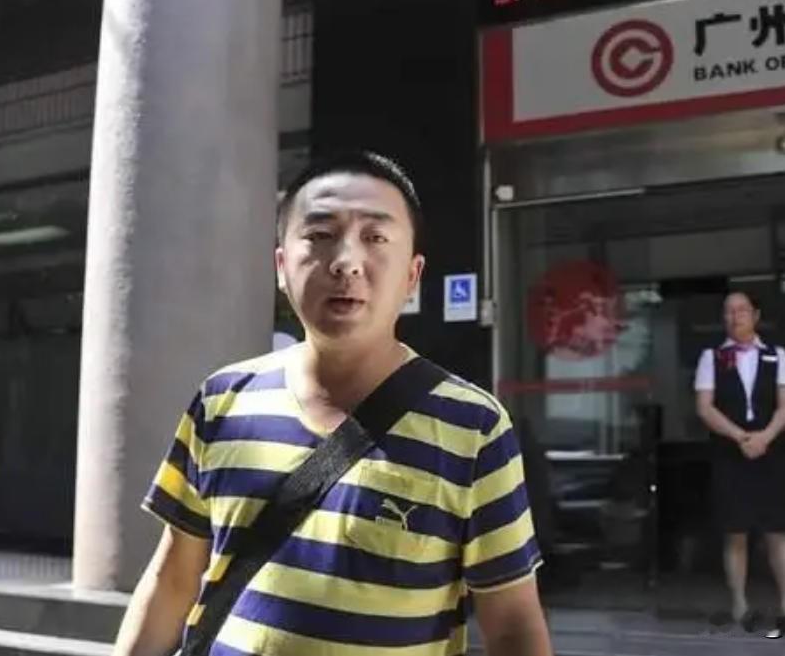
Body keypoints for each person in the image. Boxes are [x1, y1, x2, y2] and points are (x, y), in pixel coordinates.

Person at [111, 151, 553, 656]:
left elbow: (512, 623)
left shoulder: (474, 427)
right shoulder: (221, 401)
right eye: (320, 235)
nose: (346, 261)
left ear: (413, 275)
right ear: (282, 266)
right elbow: (173, 579)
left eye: (375, 237)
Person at [694, 291, 785, 638]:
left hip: (771, 453)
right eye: (728, 311)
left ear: (755, 315)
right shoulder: (712, 357)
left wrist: (765, 437)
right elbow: (705, 407)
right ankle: (740, 605)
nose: (735, 316)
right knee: (735, 532)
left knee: (777, 531)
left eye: (741, 310)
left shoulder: (776, 356)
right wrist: (741, 437)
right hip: (730, 454)